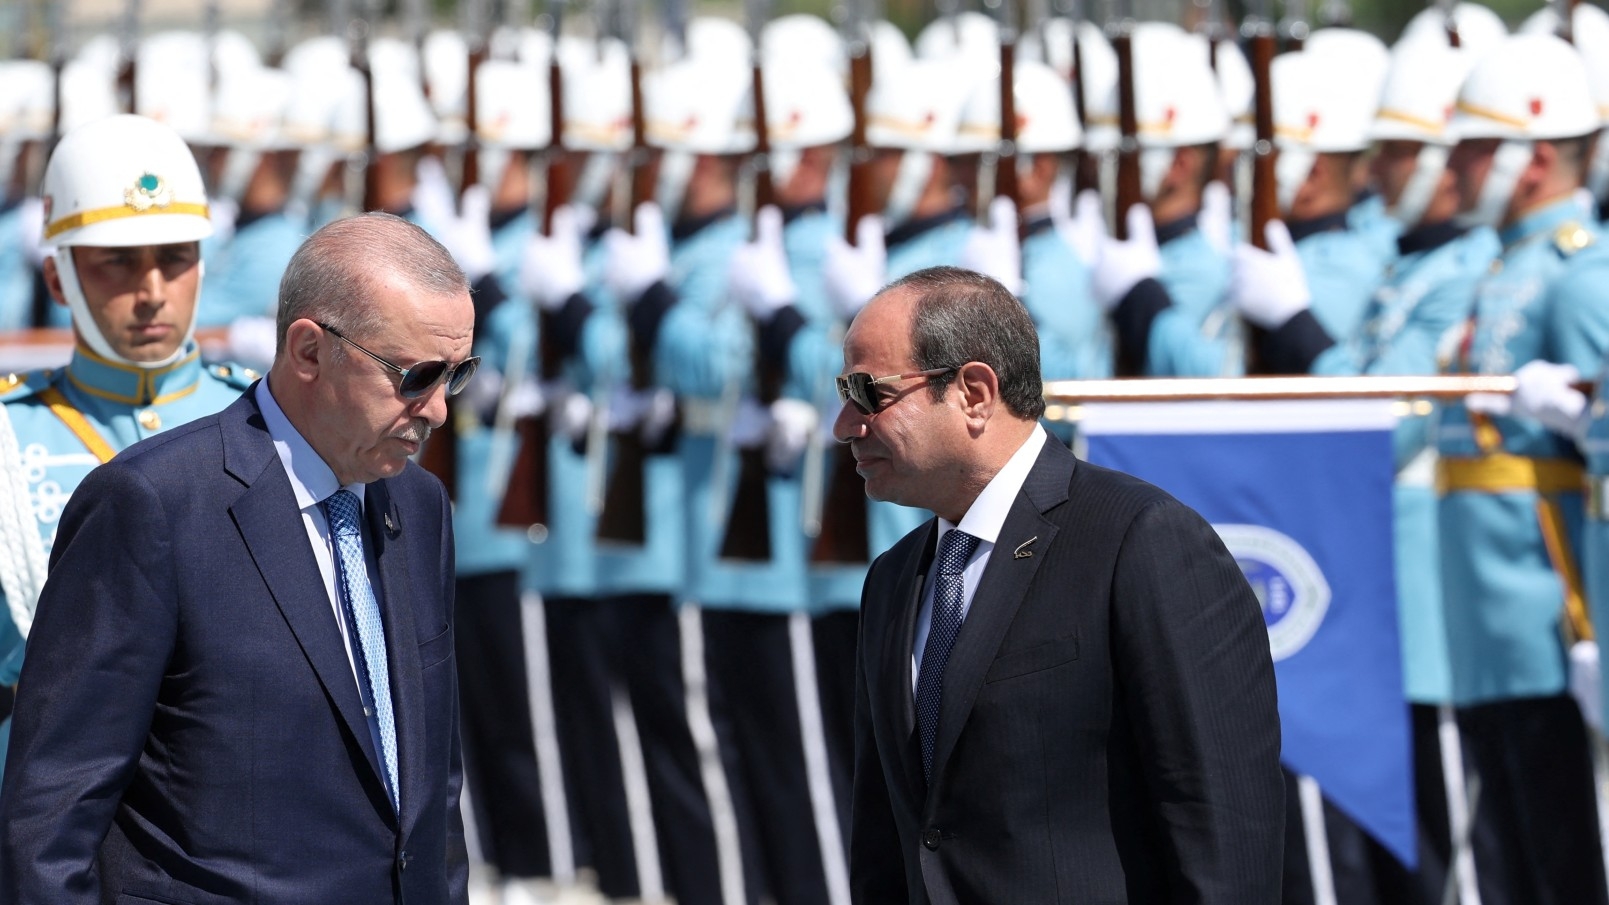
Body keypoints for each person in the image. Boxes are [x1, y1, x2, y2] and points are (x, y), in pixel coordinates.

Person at [0, 211, 475, 904]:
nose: (436, 410)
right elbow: (52, 810)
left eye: (457, 376)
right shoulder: (154, 504)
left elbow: (431, 786)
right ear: (308, 351)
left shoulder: (418, 505)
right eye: (415, 376)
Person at [843, 265, 1284, 903]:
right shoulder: (894, 579)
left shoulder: (1140, 541)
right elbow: (887, 838)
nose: (845, 426)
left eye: (868, 393)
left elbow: (1221, 820)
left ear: (973, 392)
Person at [0, 113, 254, 770]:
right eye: (117, 261)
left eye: (175, 259)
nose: (151, 291)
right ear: (59, 279)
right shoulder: (7, 431)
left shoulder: (262, 415)